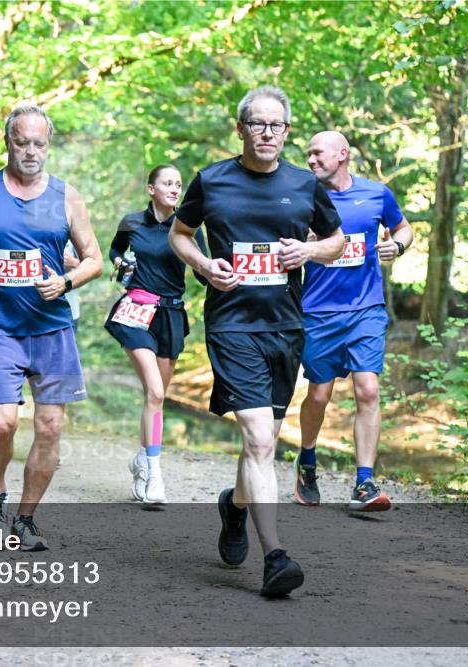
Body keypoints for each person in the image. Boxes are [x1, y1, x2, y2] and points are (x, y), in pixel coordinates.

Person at [169, 86, 344, 597]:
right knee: (261, 440)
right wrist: (203, 263)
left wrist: (308, 252)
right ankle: (275, 558)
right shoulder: (213, 180)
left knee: (260, 442)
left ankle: (236, 506)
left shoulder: (303, 184)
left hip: (286, 327)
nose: (267, 133)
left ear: (286, 132)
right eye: (257, 124)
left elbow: (335, 241)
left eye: (277, 126)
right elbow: (180, 234)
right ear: (240, 128)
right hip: (231, 324)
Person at [0, 105, 103, 550]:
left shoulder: (68, 197)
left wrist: (65, 280)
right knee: (3, 423)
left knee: (49, 428)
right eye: (22, 142)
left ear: (49, 145)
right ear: (7, 141)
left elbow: (95, 260)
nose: (31, 151)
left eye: (39, 144)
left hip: (52, 329)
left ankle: (26, 519)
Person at [296, 131, 414, 511]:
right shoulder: (301, 195)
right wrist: (307, 241)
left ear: (342, 154)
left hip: (365, 308)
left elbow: (404, 228)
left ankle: (364, 483)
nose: (311, 160)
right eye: (308, 154)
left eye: (318, 153)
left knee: (368, 391)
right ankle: (308, 460)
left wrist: (397, 245)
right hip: (318, 311)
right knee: (319, 394)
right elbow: (282, 241)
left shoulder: (376, 193)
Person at [105, 164, 207, 506]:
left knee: (158, 397)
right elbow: (115, 250)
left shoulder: (189, 229)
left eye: (179, 184)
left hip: (171, 314)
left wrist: (215, 272)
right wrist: (120, 264)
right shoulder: (132, 222)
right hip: (136, 311)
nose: (175, 189)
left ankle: (141, 458)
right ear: (151, 189)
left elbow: (203, 271)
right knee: (154, 389)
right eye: (168, 183)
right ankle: (155, 473)